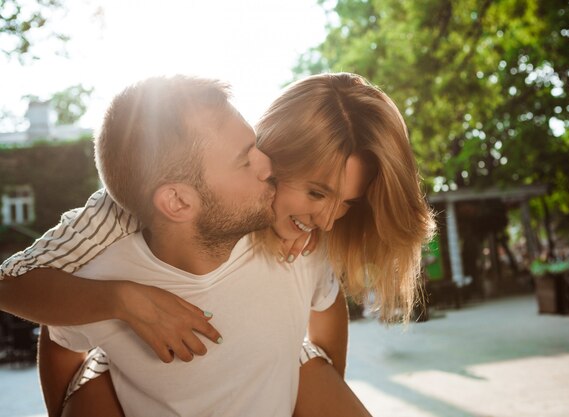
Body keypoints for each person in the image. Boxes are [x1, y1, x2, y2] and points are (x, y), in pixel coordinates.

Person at [0, 73, 434, 416]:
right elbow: (30, 303)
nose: (326, 219)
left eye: (347, 203)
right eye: (318, 194)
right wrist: (124, 302)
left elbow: (326, 302)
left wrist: (313, 382)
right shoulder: (113, 223)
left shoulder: (301, 246)